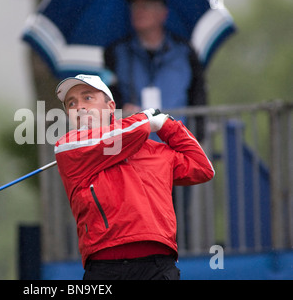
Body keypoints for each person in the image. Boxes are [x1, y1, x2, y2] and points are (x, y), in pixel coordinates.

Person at [54, 74, 214, 280]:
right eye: (71, 103)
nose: (80, 107)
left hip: (158, 264)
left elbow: (203, 168)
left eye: (88, 98)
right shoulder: (69, 147)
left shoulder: (155, 151)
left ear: (111, 107)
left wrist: (168, 125)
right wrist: (147, 118)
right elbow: (120, 136)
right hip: (105, 266)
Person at [104, 0, 206, 129]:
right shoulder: (115, 52)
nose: (138, 11)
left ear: (163, 14)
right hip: (135, 142)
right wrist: (121, 110)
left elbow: (198, 94)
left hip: (177, 141)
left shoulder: (185, 51)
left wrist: (199, 135)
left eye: (145, 6)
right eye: (134, 7)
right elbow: (107, 95)